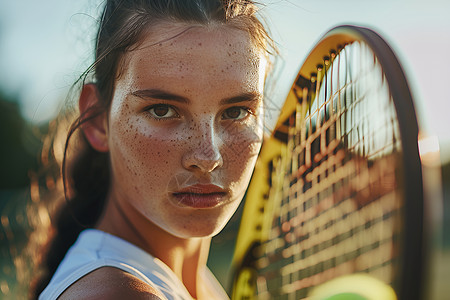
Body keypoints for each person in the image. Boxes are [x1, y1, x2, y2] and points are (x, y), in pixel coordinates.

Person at [33, 0, 275, 299]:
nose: (207, 157)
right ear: (97, 120)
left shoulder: (192, 284)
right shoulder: (117, 293)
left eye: (236, 112)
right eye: (162, 110)